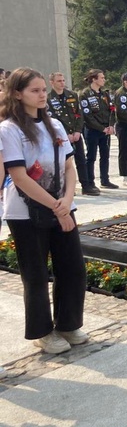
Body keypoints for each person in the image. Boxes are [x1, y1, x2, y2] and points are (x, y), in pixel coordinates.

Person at [1, 68, 88, 354]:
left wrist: (67, 200)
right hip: (26, 212)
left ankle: (68, 323)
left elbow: (69, 167)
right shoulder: (9, 129)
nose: (42, 95)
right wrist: (55, 206)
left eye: (43, 90)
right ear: (17, 94)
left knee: (73, 268)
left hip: (62, 204)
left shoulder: (56, 125)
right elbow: (19, 176)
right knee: (36, 274)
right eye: (34, 91)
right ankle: (42, 331)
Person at [47, 72, 94, 196]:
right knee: (63, 163)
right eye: (59, 81)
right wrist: (66, 134)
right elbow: (53, 119)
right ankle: (66, 188)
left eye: (63, 80)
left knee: (81, 160)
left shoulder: (72, 95)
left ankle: (86, 185)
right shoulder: (48, 99)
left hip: (76, 134)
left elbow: (79, 114)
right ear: (52, 83)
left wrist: (78, 131)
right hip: (61, 137)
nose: (62, 83)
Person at [79, 69, 118, 191]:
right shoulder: (85, 94)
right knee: (91, 157)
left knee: (105, 155)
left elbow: (112, 110)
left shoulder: (105, 94)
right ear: (94, 79)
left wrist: (111, 125)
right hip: (93, 130)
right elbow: (87, 115)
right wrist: (102, 128)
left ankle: (105, 180)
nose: (104, 80)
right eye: (101, 78)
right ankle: (90, 182)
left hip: (106, 129)